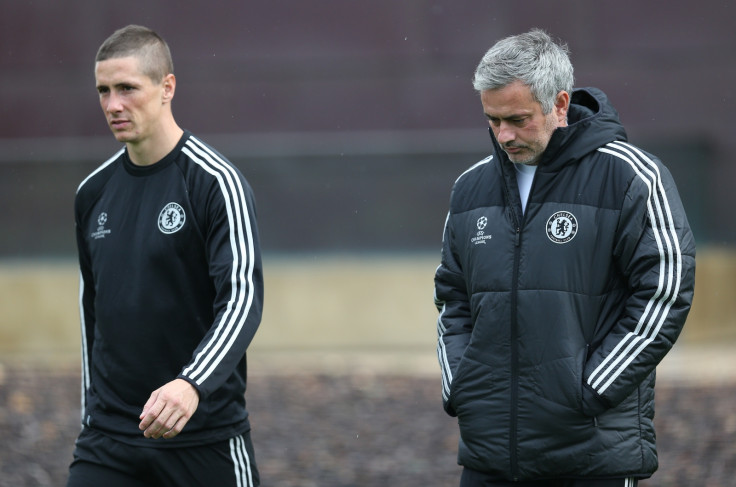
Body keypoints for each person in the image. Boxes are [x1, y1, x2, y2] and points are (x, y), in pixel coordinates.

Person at [434, 29, 695, 486]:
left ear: (558, 104)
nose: (503, 135)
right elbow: (453, 297)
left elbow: (665, 292)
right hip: (490, 454)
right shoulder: (469, 187)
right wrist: (462, 383)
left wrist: (591, 389)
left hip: (591, 453)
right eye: (493, 120)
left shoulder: (632, 176)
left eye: (517, 118)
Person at [67, 25, 262, 487]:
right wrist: (91, 410)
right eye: (103, 91)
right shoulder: (91, 193)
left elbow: (241, 300)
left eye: (127, 89)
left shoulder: (216, 183)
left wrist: (191, 384)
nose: (113, 105)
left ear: (166, 88)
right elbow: (91, 312)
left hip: (203, 437)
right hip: (108, 439)